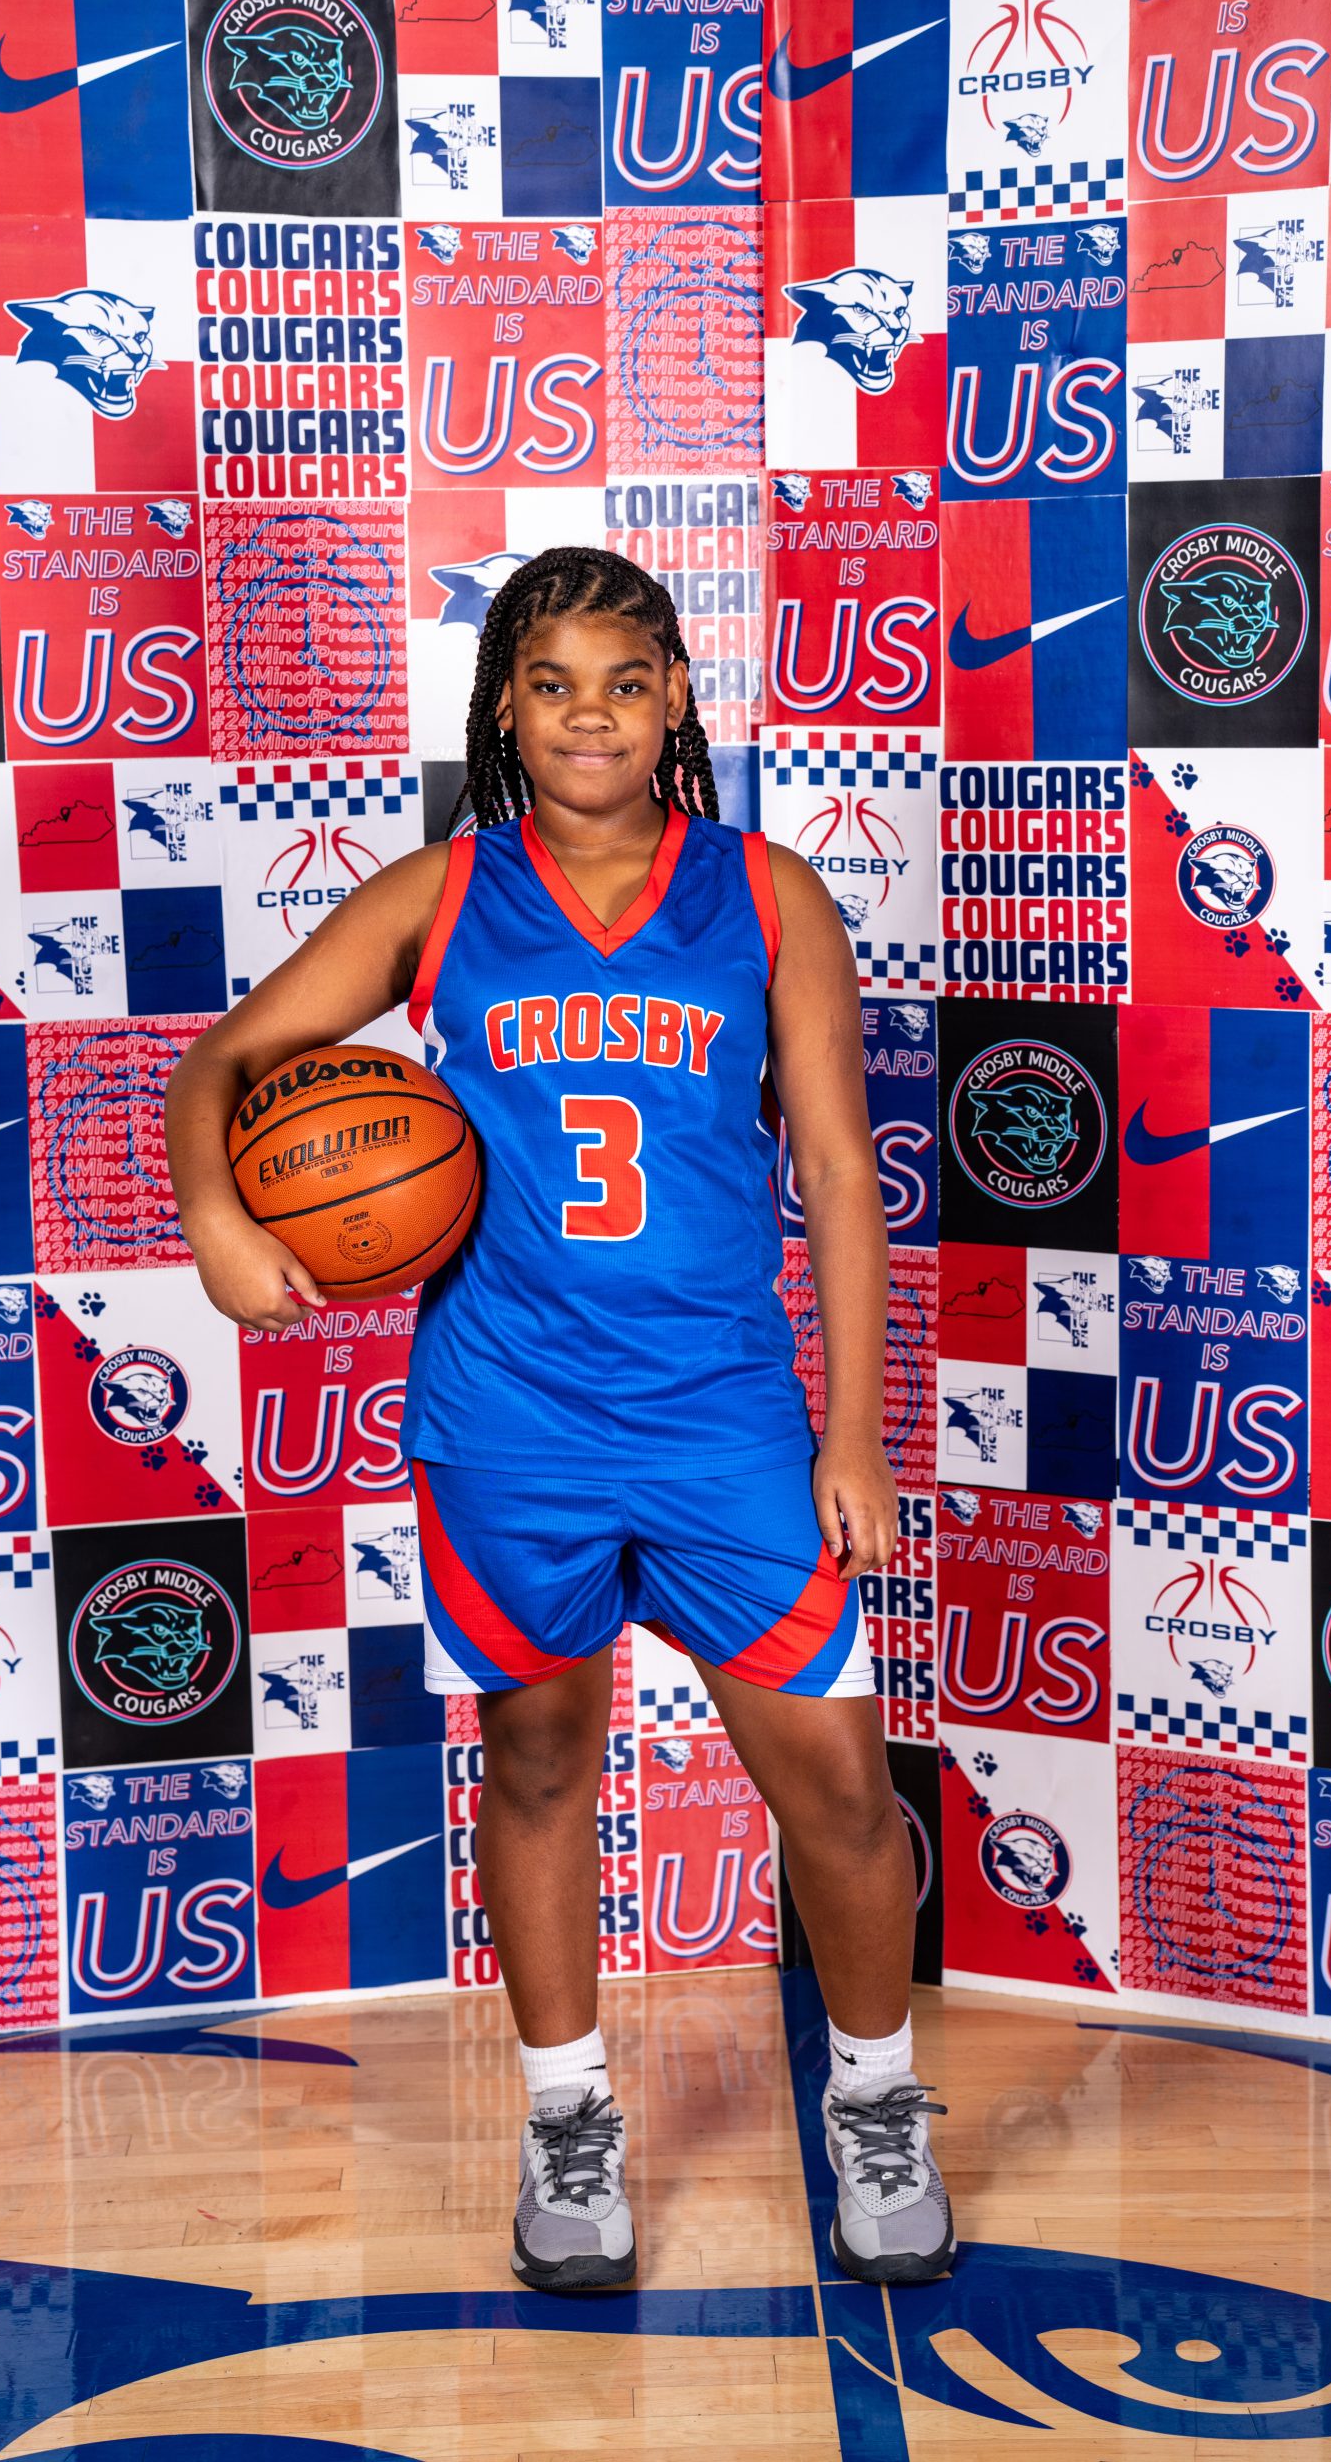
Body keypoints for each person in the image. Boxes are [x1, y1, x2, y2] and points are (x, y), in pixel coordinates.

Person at [164, 547, 951, 2296]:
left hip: (723, 1414)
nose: (589, 714)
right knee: (534, 1758)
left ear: (675, 704)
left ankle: (876, 2104)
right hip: (507, 1415)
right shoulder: (440, 894)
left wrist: (853, 1433)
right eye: (550, 683)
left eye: (625, 681)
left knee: (835, 1781)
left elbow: (837, 1171)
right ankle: (567, 2121)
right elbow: (218, 1063)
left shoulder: (766, 893)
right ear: (502, 711)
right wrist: (220, 1216)